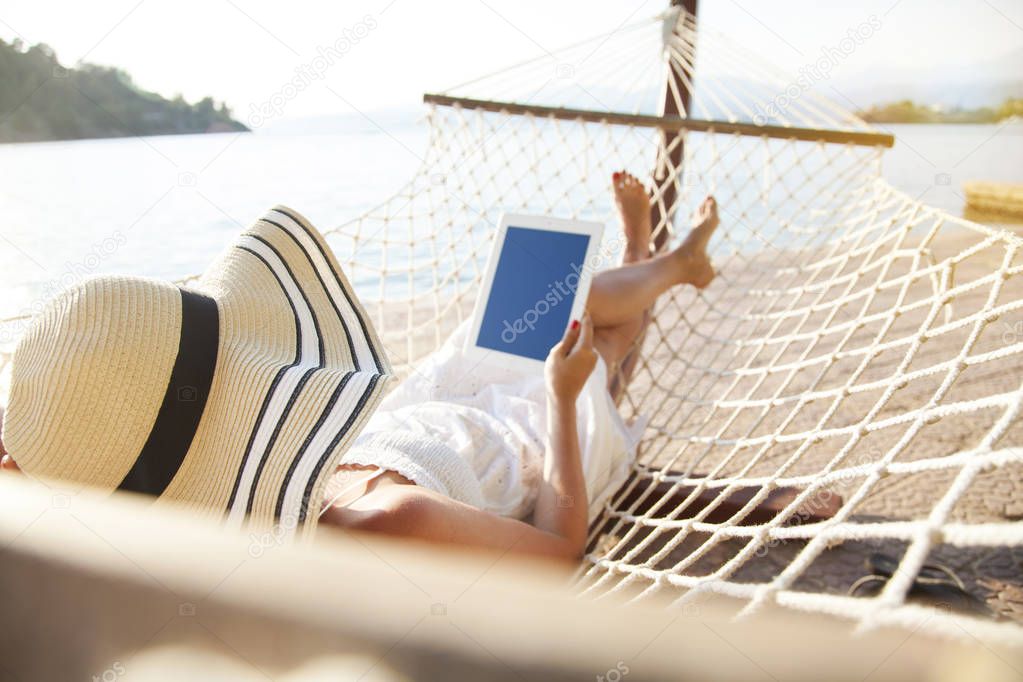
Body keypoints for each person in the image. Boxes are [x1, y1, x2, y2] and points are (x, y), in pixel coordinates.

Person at [0, 171, 718, 562]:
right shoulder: (380, 520)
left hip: (413, 413)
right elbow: (559, 549)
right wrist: (560, 400)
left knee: (545, 304)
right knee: (591, 346)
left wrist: (44, 451)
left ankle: (652, 259)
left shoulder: (176, 509)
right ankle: (660, 260)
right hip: (516, 446)